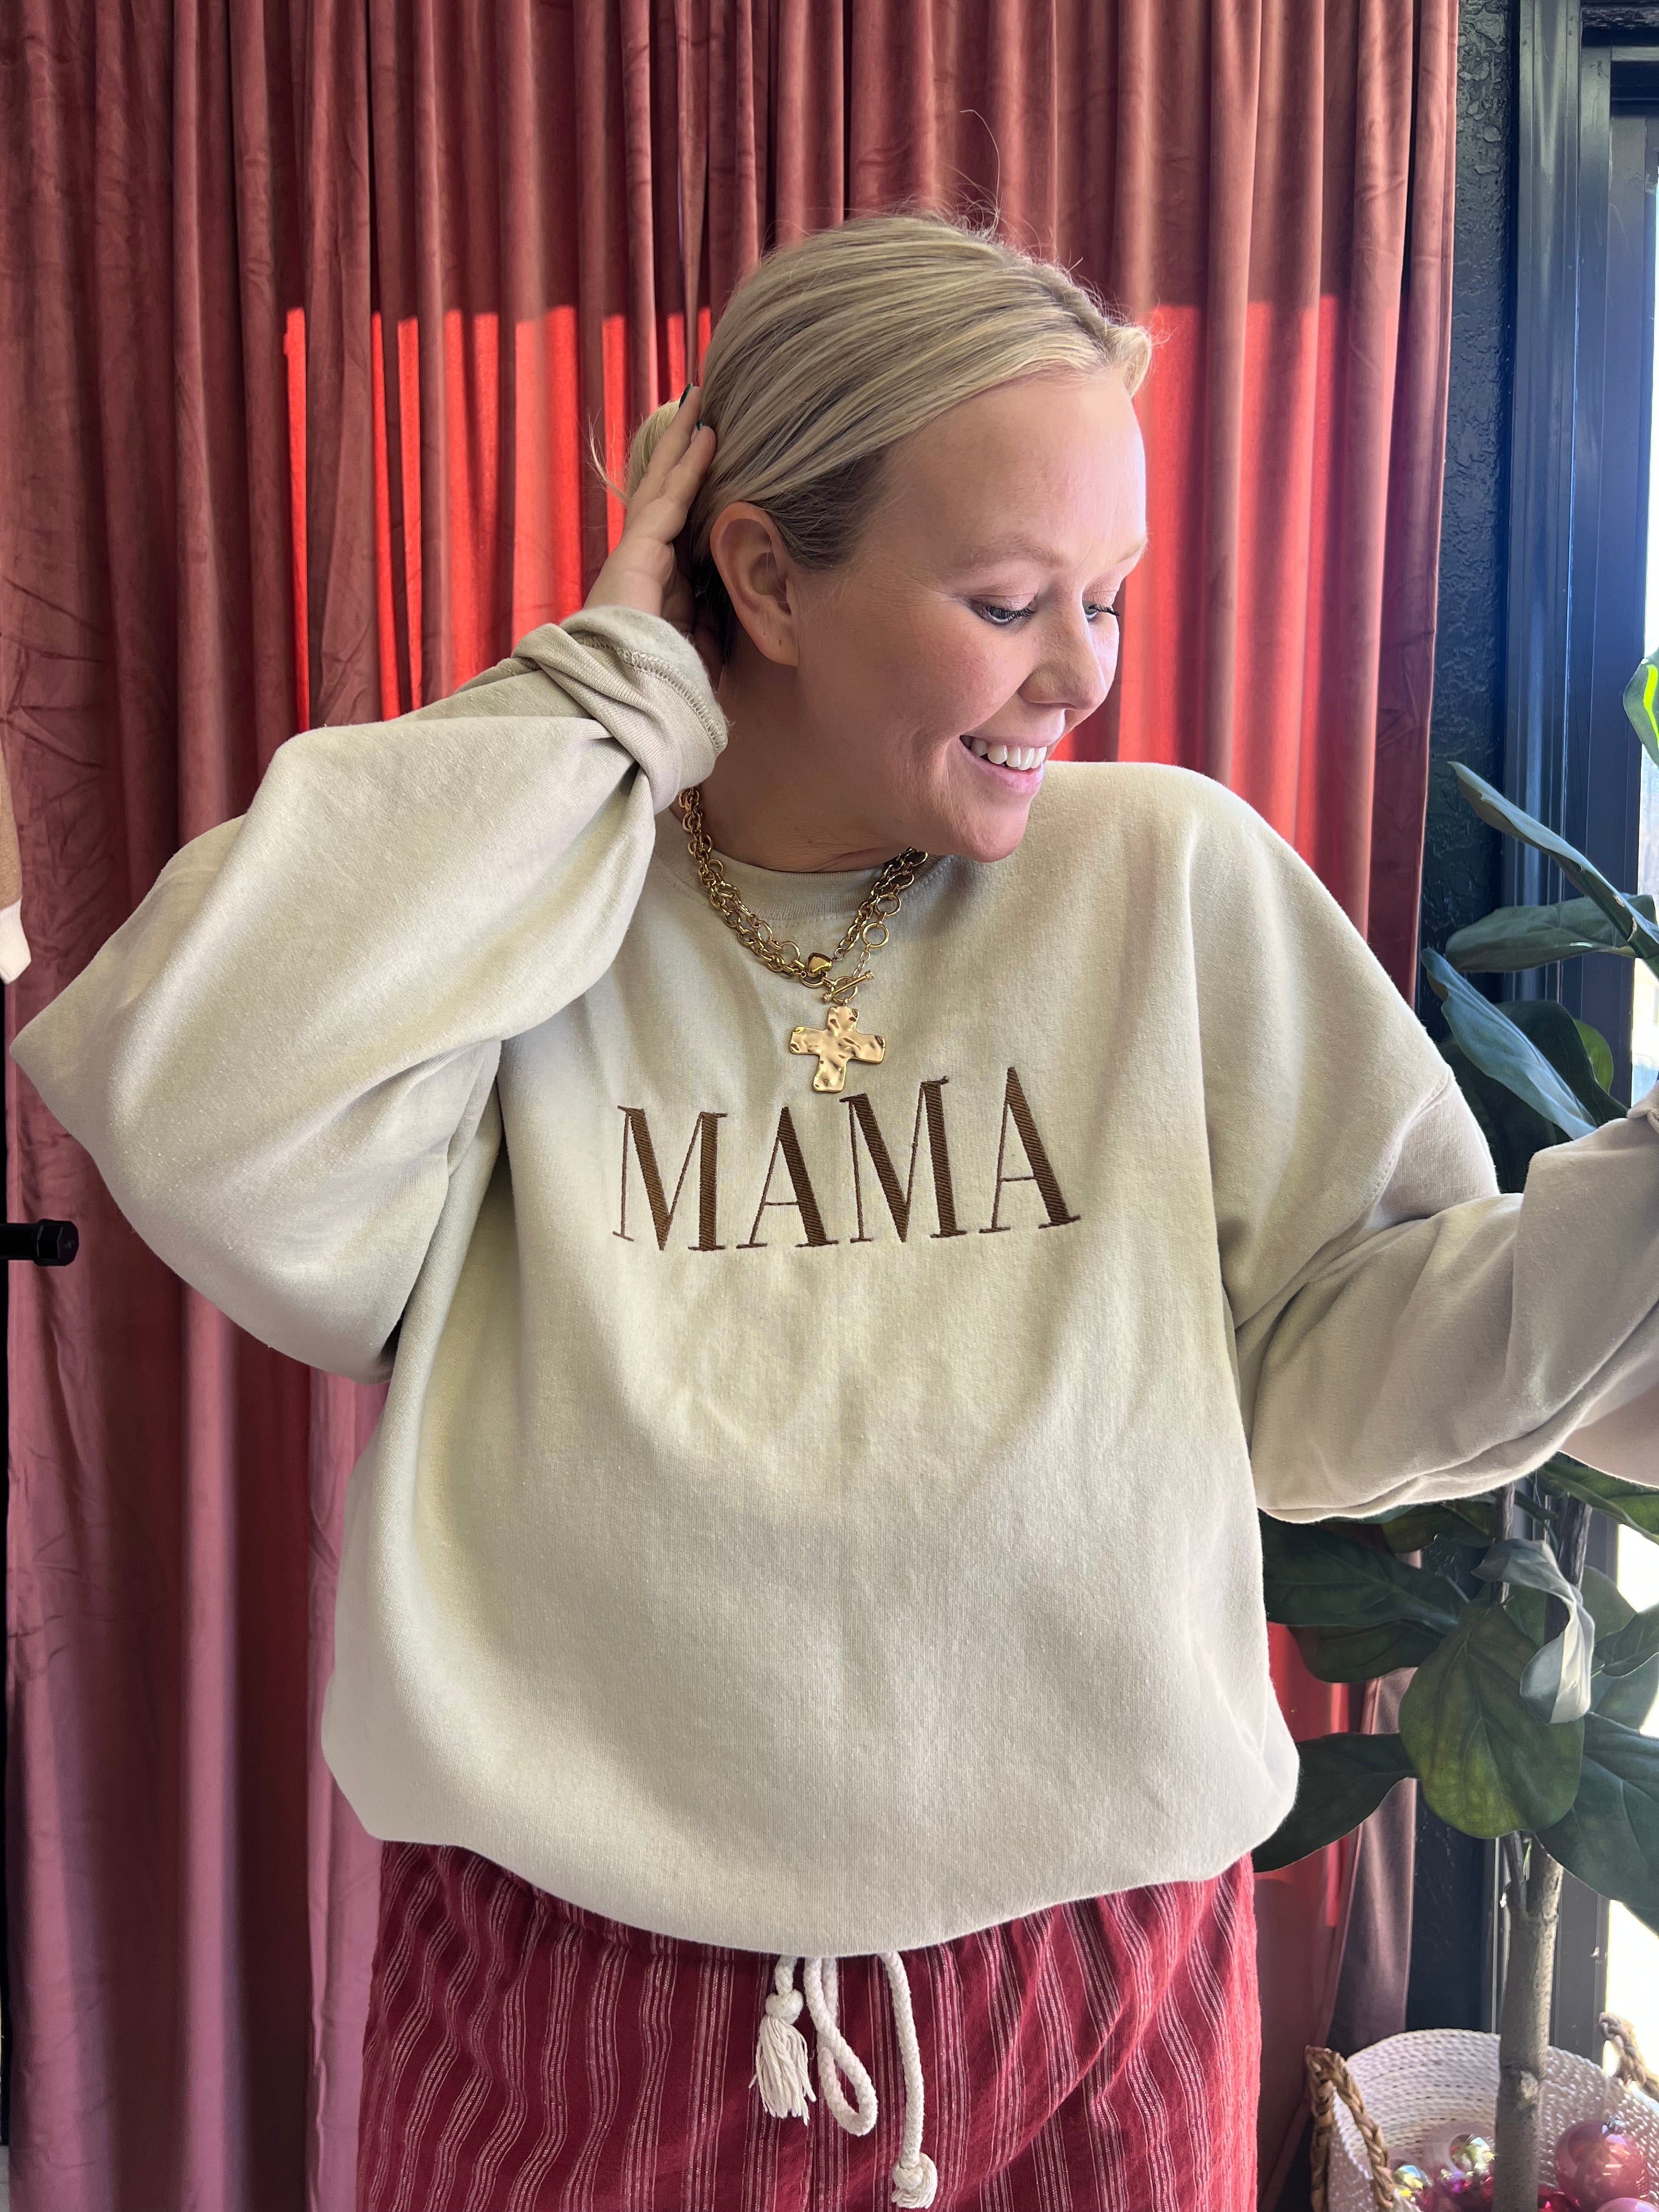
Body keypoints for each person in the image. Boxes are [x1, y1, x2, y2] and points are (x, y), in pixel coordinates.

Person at [12, 209, 1659, 2212]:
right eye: (1010, 600)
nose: (1084, 672)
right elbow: (191, 1089)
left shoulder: (1170, 882)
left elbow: (1336, 1382)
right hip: (577, 2008)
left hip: (1105, 1984)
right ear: (769, 576)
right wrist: (614, 689)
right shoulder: (526, 919)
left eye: (1108, 598)